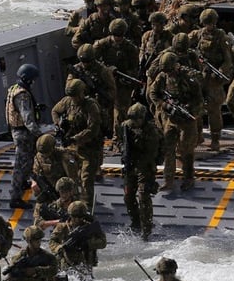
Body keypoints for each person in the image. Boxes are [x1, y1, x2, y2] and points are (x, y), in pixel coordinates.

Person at [147, 53, 204, 192]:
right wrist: (164, 105)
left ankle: (189, 177)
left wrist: (189, 108)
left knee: (186, 149)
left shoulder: (189, 77)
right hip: (170, 119)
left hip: (187, 119)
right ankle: (168, 180)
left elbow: (199, 100)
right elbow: (152, 93)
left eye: (170, 70)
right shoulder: (163, 76)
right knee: (168, 149)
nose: (168, 73)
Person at [52, 78, 104, 207]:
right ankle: (75, 203)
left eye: (76, 96)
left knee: (86, 179)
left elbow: (92, 129)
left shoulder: (91, 106)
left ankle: (85, 209)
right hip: (72, 148)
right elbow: (55, 111)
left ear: (82, 93)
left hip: (89, 148)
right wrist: (59, 124)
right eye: (72, 96)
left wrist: (75, 138)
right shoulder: (67, 101)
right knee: (73, 177)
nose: (74, 99)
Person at [189, 8, 234, 151]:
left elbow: (228, 60)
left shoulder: (221, 36)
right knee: (195, 107)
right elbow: (184, 44)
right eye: (206, 23)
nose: (209, 26)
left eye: (211, 23)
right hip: (199, 76)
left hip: (213, 78)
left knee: (214, 109)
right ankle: (198, 136)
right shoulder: (197, 35)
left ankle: (215, 139)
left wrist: (220, 71)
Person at [7, 62, 48, 208]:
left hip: (19, 131)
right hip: (23, 134)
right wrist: (40, 135)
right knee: (21, 165)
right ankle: (15, 198)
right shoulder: (22, 95)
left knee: (27, 162)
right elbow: (27, 119)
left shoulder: (14, 89)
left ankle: (24, 183)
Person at [120, 102, 162, 240]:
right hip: (130, 164)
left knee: (143, 195)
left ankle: (147, 228)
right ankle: (135, 221)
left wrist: (139, 166)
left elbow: (151, 153)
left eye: (136, 120)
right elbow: (122, 142)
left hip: (145, 165)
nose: (133, 123)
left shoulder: (151, 131)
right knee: (128, 196)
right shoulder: (126, 126)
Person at [94, 18, 142, 139]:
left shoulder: (130, 48)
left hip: (121, 83)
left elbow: (135, 68)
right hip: (104, 82)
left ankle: (119, 138)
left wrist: (125, 75)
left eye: (120, 35)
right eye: (115, 35)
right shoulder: (101, 45)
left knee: (121, 112)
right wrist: (107, 70)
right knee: (101, 109)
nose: (118, 38)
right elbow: (93, 63)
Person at [49, 200, 107, 281]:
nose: (77, 219)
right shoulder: (62, 227)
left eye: (80, 217)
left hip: (85, 266)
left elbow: (103, 242)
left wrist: (87, 243)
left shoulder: (89, 227)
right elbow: (52, 241)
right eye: (74, 216)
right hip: (67, 265)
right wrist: (59, 248)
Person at [69, 43, 117, 144]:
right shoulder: (77, 70)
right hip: (80, 104)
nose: (84, 64)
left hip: (98, 105)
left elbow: (112, 92)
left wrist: (100, 96)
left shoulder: (103, 71)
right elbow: (69, 88)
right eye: (82, 61)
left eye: (87, 61)